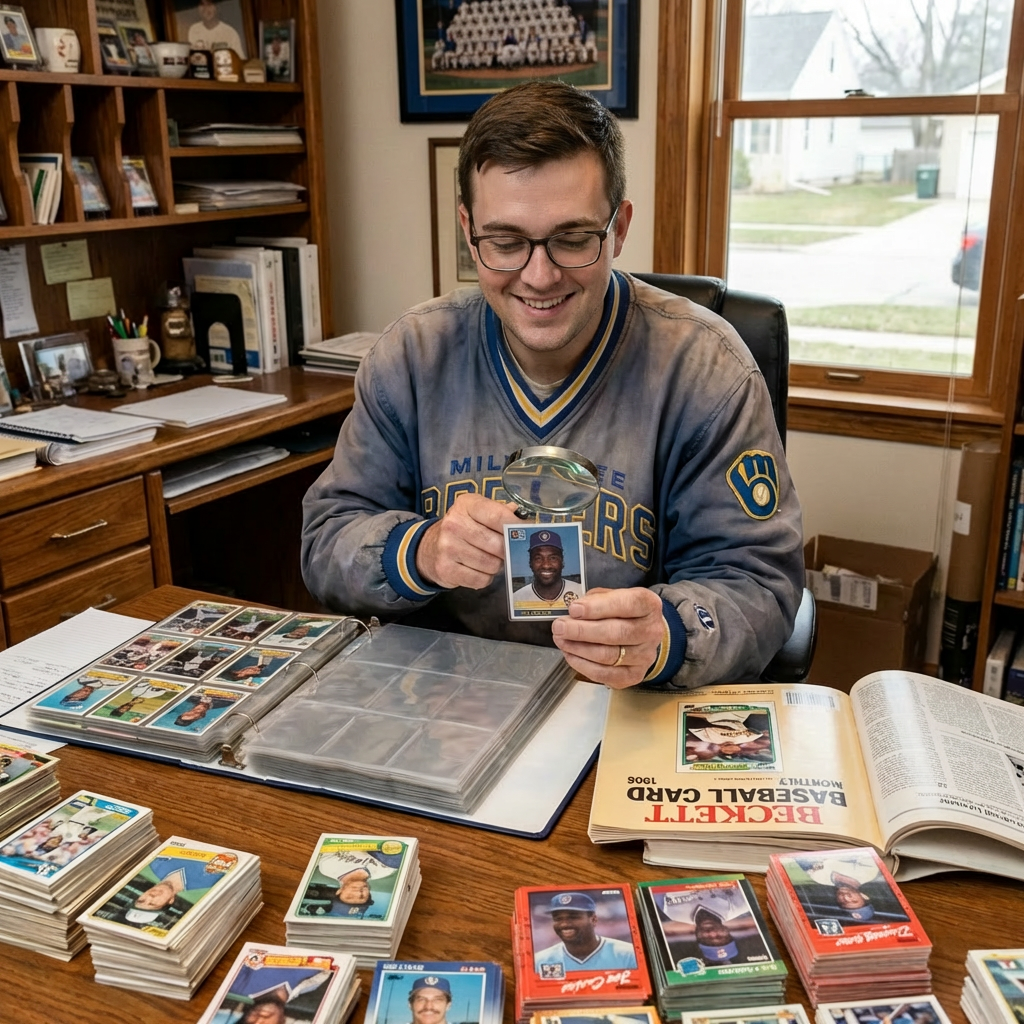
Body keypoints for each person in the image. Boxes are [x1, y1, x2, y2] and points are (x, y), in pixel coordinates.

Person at [301, 80, 803, 691]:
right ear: (469, 231)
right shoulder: (412, 357)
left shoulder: (707, 370)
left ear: (618, 228)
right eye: (506, 242)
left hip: (625, 704)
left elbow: (759, 582)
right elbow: (327, 536)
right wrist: (418, 551)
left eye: (571, 239)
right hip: (446, 703)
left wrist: (670, 633)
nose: (539, 276)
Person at [533, 892, 636, 973]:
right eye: (558, 919)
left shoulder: (628, 954)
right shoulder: (540, 960)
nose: (564, 924)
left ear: (594, 920)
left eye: (573, 917)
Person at [511, 529, 580, 612]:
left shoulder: (580, 591)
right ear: (530, 563)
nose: (546, 565)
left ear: (562, 562)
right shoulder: (516, 598)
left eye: (553, 558)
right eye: (538, 558)